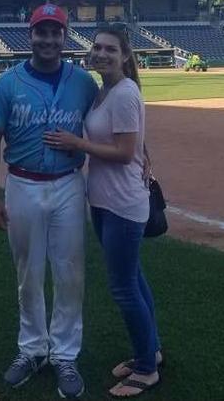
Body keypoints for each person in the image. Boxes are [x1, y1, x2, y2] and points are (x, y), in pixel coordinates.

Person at [0, 3, 98, 398]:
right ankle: (31, 350)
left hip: (68, 184)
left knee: (70, 272)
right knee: (28, 272)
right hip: (23, 184)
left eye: (55, 32)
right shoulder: (7, 83)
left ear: (64, 37)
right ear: (30, 35)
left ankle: (65, 354)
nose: (48, 39)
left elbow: (109, 124)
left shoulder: (83, 82)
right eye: (41, 32)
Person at [44, 25, 162, 398]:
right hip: (106, 201)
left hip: (123, 205)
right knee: (135, 281)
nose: (102, 53)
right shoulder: (104, 92)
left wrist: (77, 143)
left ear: (125, 56)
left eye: (110, 49)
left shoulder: (123, 92)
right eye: (97, 47)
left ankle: (146, 369)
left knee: (124, 288)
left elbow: (126, 152)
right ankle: (151, 351)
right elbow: (133, 143)